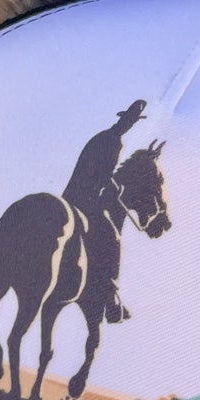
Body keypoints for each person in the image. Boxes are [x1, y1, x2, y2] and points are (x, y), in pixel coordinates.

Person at [63, 99, 147, 324]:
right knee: (113, 238)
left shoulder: (99, 137)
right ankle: (110, 297)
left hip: (69, 195)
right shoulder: (114, 143)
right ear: (125, 122)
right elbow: (101, 177)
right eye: (129, 121)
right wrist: (116, 187)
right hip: (86, 199)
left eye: (132, 122)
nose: (129, 125)